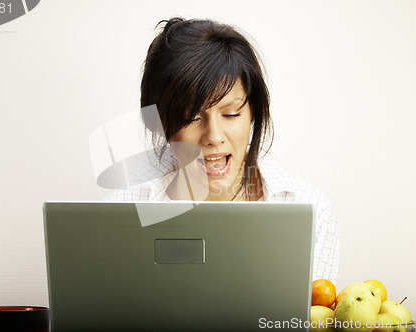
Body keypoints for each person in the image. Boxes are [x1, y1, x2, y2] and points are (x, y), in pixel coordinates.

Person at [105, 17, 339, 283]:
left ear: (253, 113)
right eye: (192, 117)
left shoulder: (310, 210)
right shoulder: (122, 209)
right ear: (161, 124)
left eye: (230, 114)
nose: (214, 137)